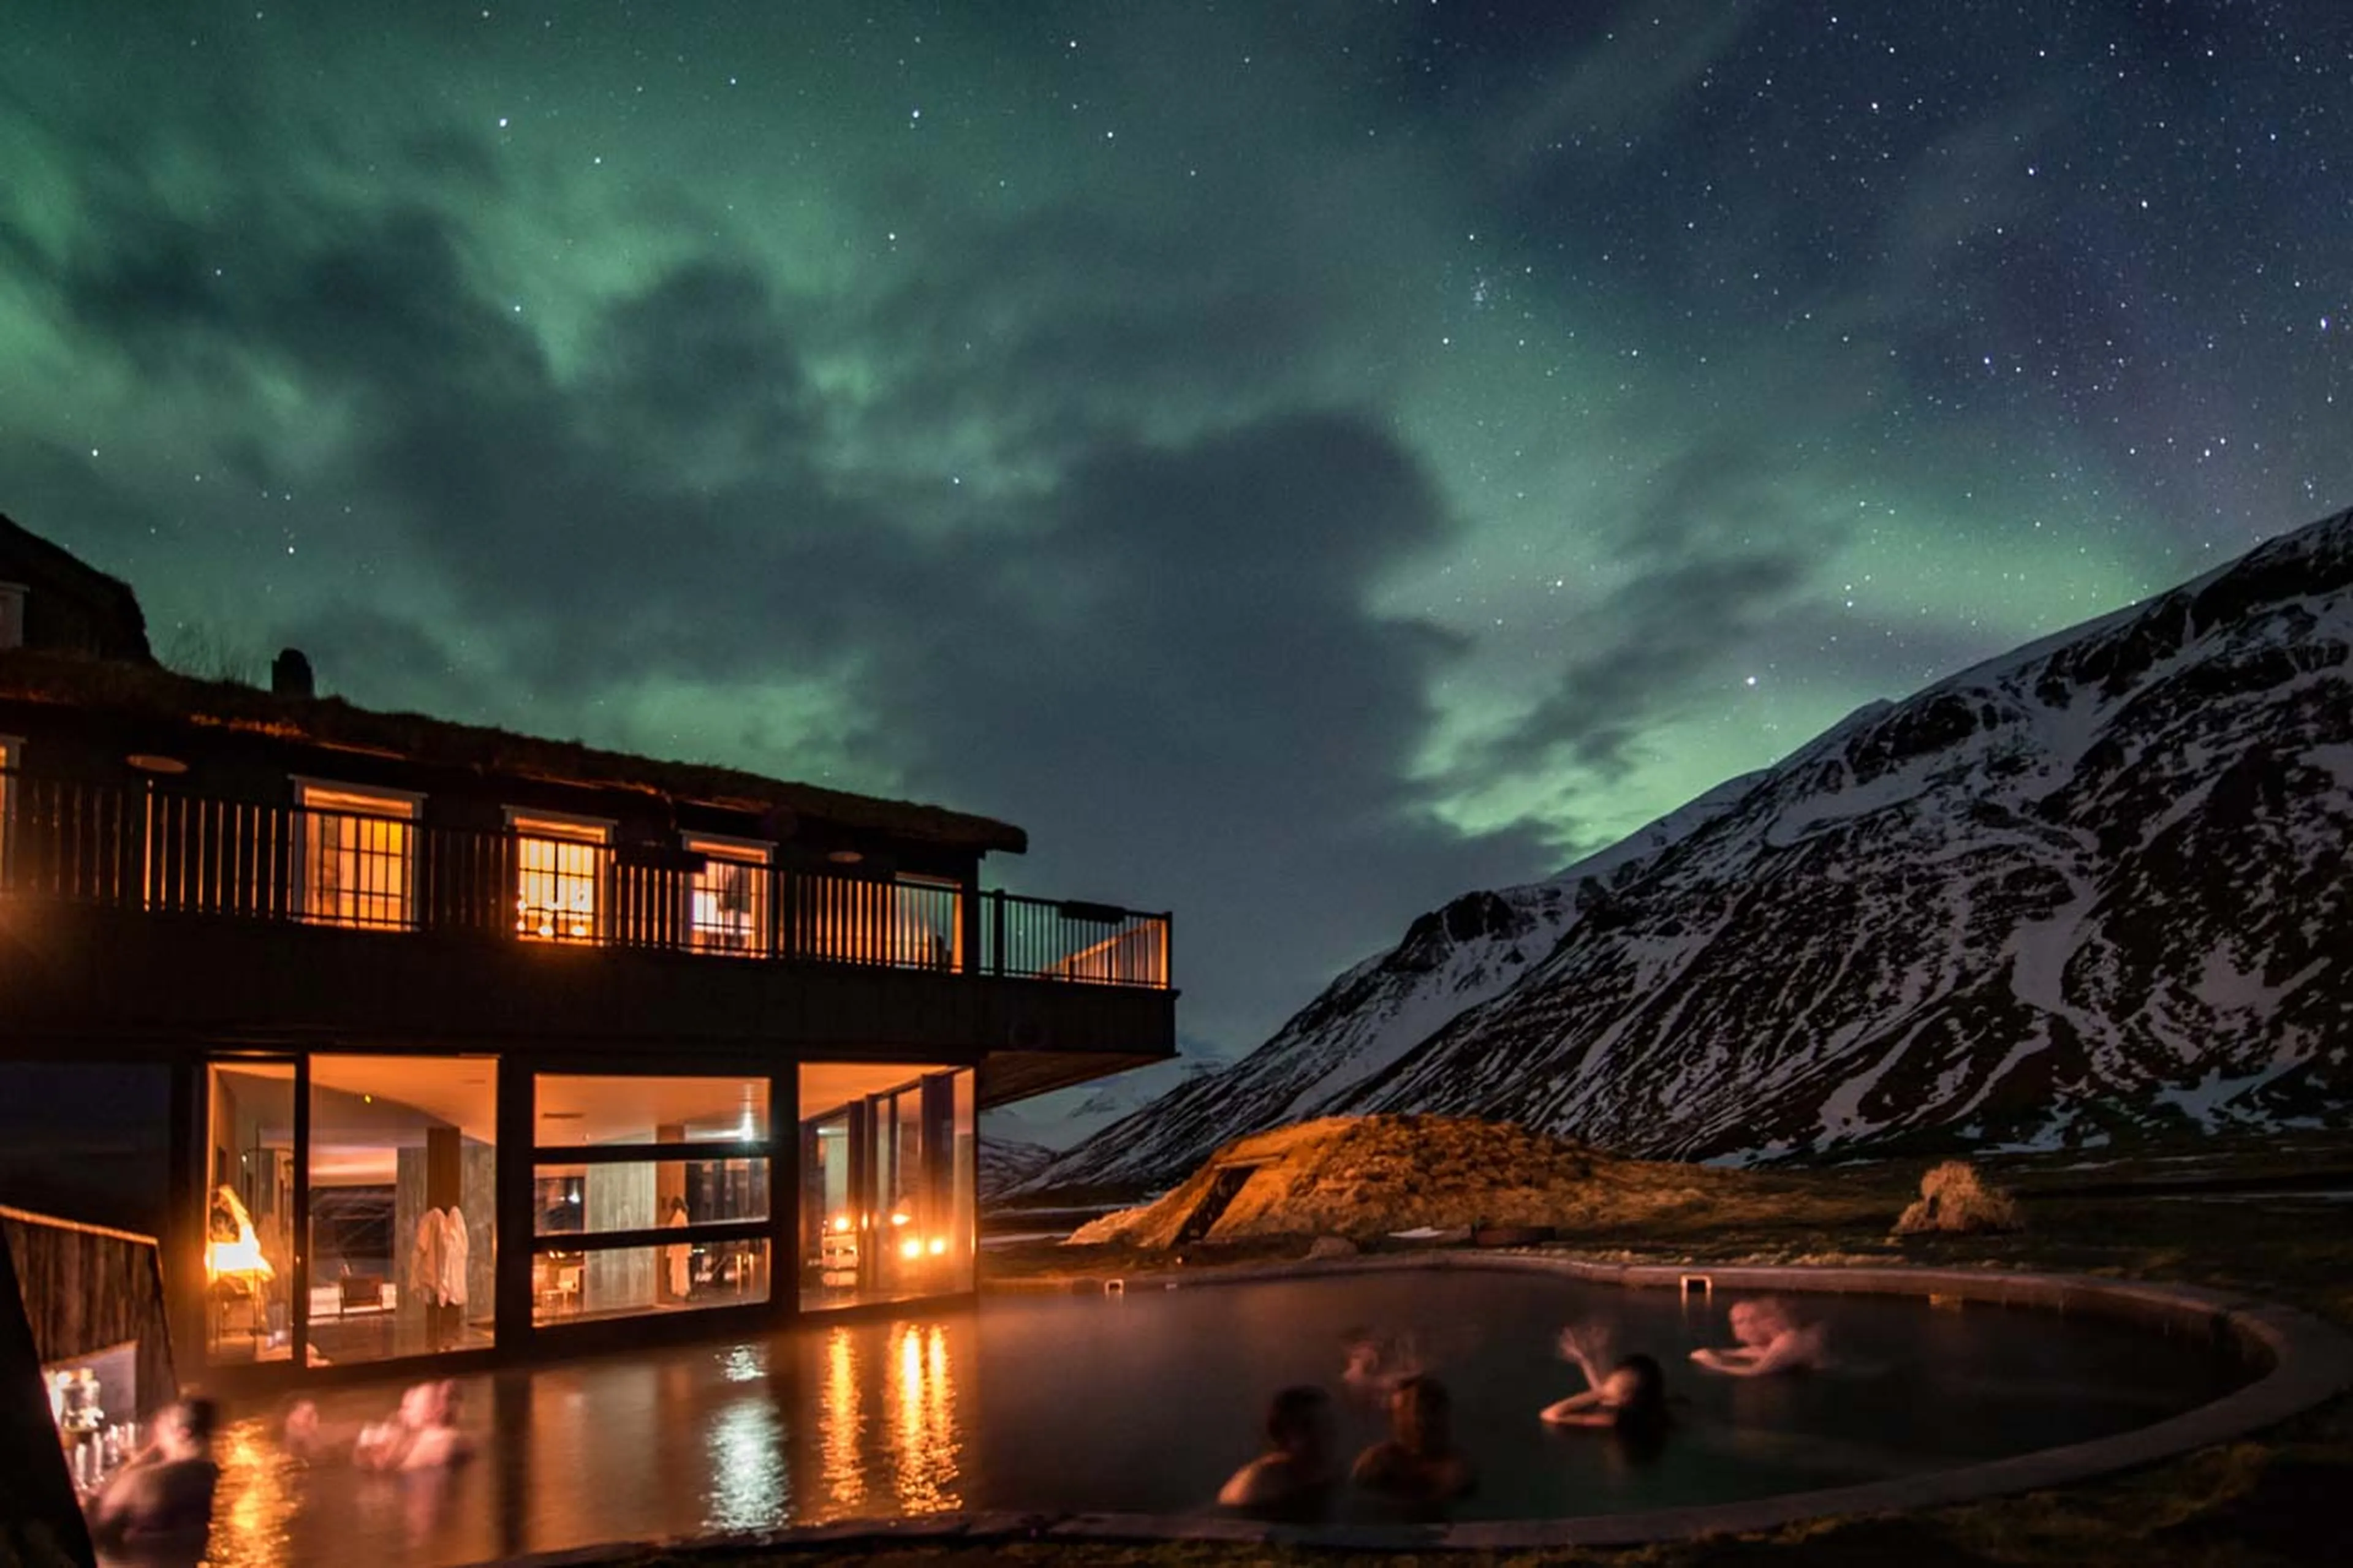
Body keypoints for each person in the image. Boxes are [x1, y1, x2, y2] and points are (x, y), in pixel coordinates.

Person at [84, 1398, 221, 1560]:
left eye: (162, 1430)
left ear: (182, 1434)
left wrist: (96, 1498)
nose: (158, 1438)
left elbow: (97, 1534)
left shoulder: (141, 1482)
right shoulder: (210, 1476)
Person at [1350, 1374, 1475, 1510]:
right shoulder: (1377, 1462)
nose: (1414, 1419)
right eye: (1402, 1411)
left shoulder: (1457, 1469)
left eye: (1419, 1410)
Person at [1216, 1385, 1338, 1521]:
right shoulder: (1263, 1482)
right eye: (1309, 1428)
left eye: (1329, 1426)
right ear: (1281, 1436)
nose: (1324, 1437)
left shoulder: (1321, 1476)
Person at [1542, 1324, 1670, 1442]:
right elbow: (1605, 1394)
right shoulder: (1651, 1411)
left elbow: (1551, 1415)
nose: (1607, 1385)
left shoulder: (1615, 1422)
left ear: (1627, 1398)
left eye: (1615, 1385)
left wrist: (1603, 1392)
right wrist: (1585, 1361)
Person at [1689, 1297, 1826, 1377]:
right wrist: (1714, 1353)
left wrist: (1712, 1364)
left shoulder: (1789, 1340)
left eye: (1740, 1322)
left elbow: (1756, 1371)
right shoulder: (1777, 1341)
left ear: (1765, 1321)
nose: (1736, 1330)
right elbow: (1754, 1352)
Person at [664, 1195, 693, 1302]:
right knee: (679, 1269)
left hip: (679, 1249)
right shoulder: (681, 1216)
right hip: (680, 1249)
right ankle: (680, 1289)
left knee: (679, 1270)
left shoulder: (679, 1216)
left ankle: (681, 1289)